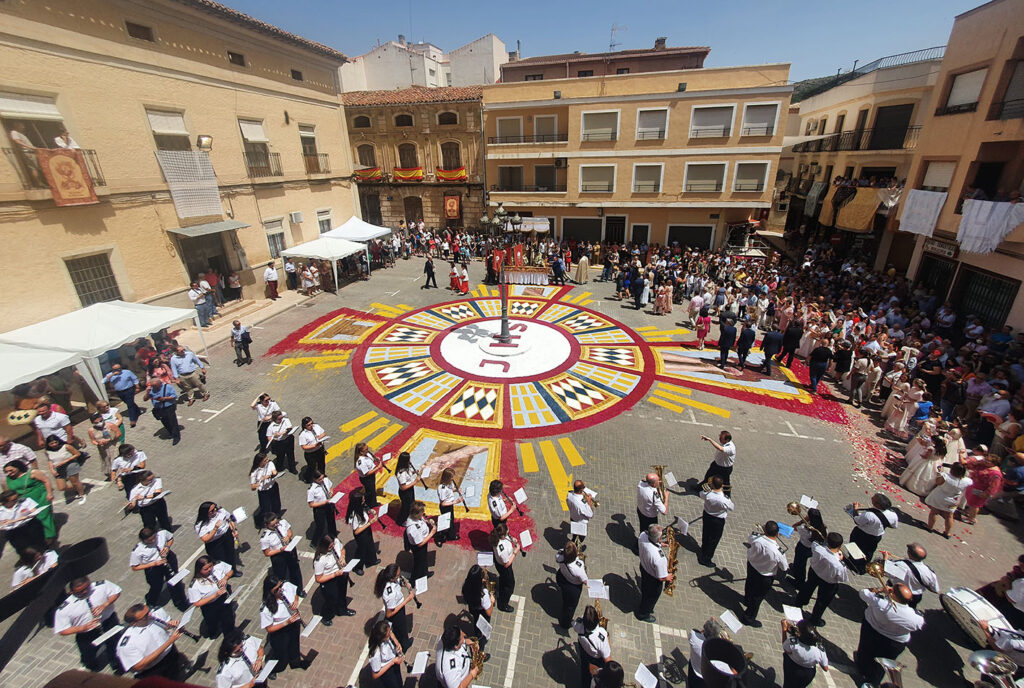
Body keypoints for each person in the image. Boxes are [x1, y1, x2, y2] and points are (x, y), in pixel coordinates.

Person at [854, 583, 924, 687]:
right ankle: (873, 682)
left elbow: (864, 593)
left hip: (871, 630)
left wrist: (880, 590)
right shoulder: (916, 618)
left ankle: (862, 667)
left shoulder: (880, 603)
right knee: (883, 664)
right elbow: (918, 625)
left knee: (865, 650)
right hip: (894, 643)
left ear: (893, 594)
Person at [54, 576, 123, 673]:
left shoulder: (101, 586)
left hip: (108, 622)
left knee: (114, 643)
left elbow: (116, 592)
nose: (84, 592)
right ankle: (91, 666)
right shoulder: (64, 609)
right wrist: (83, 628)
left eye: (86, 588)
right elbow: (63, 630)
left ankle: (116, 663)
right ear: (72, 592)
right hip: (86, 633)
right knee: (88, 653)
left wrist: (105, 604)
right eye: (79, 592)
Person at [117, 603, 191, 679]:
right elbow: (138, 666)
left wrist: (174, 625)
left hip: (171, 656)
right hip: (154, 670)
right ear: (133, 623)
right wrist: (170, 641)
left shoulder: (154, 615)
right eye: (145, 616)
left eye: (148, 611)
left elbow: (166, 627)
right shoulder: (127, 644)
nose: (150, 615)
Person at [739, 521, 788, 627]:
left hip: (752, 567)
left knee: (749, 584)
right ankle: (748, 618)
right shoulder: (778, 551)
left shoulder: (756, 538)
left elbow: (750, 539)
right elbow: (784, 567)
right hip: (765, 576)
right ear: (777, 533)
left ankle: (747, 600)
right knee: (757, 597)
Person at [793, 532, 848, 627]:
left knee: (807, 588)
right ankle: (815, 619)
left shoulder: (817, 547)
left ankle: (798, 604)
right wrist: (840, 559)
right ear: (840, 546)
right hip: (828, 582)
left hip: (814, 572)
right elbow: (842, 578)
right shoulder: (839, 564)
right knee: (822, 601)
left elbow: (816, 543)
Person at [130, 527, 188, 611]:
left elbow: (170, 538)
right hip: (153, 567)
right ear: (143, 540)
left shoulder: (162, 533)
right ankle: (151, 602)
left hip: (168, 560)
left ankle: (180, 602)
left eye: (154, 538)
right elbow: (135, 567)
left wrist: (167, 547)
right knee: (156, 586)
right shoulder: (138, 550)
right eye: (149, 540)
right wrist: (154, 563)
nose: (153, 541)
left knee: (174, 581)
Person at [260, 574, 307, 675]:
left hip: (293, 623)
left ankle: (296, 663)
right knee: (281, 653)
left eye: (280, 586)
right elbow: (269, 629)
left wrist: (296, 601)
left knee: (294, 645)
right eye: (277, 589)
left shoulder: (286, 586)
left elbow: (295, 592)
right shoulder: (266, 608)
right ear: (270, 591)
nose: (280, 590)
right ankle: (273, 670)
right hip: (280, 632)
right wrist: (286, 622)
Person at [3, 460, 54, 544]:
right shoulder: (8, 480)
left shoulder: (32, 473)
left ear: (18, 467)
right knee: (32, 518)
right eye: (6, 472)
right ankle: (40, 536)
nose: (9, 473)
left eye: (11, 470)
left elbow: (46, 480)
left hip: (40, 497)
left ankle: (49, 536)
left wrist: (49, 493)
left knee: (44, 516)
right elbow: (9, 493)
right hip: (24, 501)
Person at [848, 492, 897, 574]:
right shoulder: (893, 515)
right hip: (876, 536)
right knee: (869, 551)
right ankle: (864, 566)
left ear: (878, 504)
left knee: (854, 548)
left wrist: (855, 509)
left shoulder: (869, 515)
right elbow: (893, 526)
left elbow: (857, 521)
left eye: (873, 499)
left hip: (861, 534)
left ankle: (853, 564)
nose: (871, 499)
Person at [188, 555, 236, 638]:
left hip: (223, 599)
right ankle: (213, 631)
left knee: (228, 620)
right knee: (212, 623)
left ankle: (230, 636)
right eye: (206, 569)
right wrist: (215, 595)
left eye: (210, 566)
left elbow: (230, 571)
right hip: (210, 605)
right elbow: (197, 603)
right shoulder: (195, 585)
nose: (210, 569)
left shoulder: (218, 566)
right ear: (199, 570)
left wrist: (225, 578)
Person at [312, 534, 355, 625]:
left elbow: (342, 549)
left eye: (333, 545)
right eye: (330, 547)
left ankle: (342, 610)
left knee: (342, 593)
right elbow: (318, 578)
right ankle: (326, 616)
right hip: (329, 579)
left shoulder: (335, 542)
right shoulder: (320, 560)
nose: (333, 547)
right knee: (332, 599)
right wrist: (335, 574)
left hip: (340, 574)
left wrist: (342, 557)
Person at [882, 544, 940, 609]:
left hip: (897, 592)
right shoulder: (929, 572)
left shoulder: (901, 565)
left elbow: (885, 572)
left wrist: (885, 558)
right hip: (915, 597)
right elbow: (935, 590)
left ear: (909, 553)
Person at [637, 524, 673, 623]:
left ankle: (645, 606)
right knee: (651, 597)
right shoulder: (659, 558)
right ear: (658, 538)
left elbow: (650, 543)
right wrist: (668, 577)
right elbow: (661, 578)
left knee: (645, 590)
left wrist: (660, 544)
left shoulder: (643, 535)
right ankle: (643, 614)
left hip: (644, 568)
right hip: (653, 579)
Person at [924, 462, 972, 537]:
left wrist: (939, 472)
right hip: (954, 500)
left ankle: (930, 527)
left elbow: (938, 482)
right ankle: (947, 533)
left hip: (940, 497)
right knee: (949, 516)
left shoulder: (945, 476)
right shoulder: (967, 481)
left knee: (934, 512)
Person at [376, 564, 416, 652]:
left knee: (401, 629)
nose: (399, 576)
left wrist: (405, 584)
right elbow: (389, 614)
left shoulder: (393, 580)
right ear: (392, 578)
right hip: (396, 613)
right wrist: (407, 600)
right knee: (401, 630)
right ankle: (404, 645)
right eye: (398, 575)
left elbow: (398, 582)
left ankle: (403, 641)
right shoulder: (391, 594)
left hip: (398, 607)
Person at [260, 512, 303, 592]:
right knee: (281, 576)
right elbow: (267, 553)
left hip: (289, 549)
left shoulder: (282, 523)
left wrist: (288, 536)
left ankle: (299, 590)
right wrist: (280, 550)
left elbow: (290, 531)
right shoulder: (265, 538)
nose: (276, 526)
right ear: (267, 525)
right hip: (278, 556)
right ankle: (286, 592)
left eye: (276, 523)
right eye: (273, 525)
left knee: (295, 570)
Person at [195, 501, 241, 576]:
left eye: (215, 508)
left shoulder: (221, 511)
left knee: (231, 555)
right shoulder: (200, 525)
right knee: (220, 560)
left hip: (227, 536)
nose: (215, 511)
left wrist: (234, 530)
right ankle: (223, 575)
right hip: (215, 543)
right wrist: (215, 528)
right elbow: (205, 539)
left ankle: (233, 571)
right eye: (212, 511)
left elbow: (229, 519)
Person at [779, 619, 829, 688]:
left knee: (788, 685)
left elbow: (786, 649)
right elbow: (825, 668)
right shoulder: (819, 649)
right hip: (807, 674)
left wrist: (784, 629)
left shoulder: (794, 642)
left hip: (791, 667)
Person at [699, 475, 733, 567]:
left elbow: (701, 494)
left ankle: (703, 550)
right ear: (722, 485)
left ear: (712, 485)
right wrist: (728, 496)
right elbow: (731, 507)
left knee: (706, 534)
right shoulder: (724, 499)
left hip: (707, 515)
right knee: (714, 540)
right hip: (718, 520)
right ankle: (706, 559)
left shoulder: (707, 494)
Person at [346, 487, 381, 575]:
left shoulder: (361, 506)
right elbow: (356, 531)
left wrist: (370, 511)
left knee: (370, 545)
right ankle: (357, 567)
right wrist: (370, 523)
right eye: (362, 500)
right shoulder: (354, 515)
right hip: (361, 533)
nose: (364, 501)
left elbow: (364, 511)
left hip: (366, 528)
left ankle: (371, 560)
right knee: (361, 550)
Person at [789, 508, 827, 587]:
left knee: (801, 565)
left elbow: (794, 527)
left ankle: (799, 582)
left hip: (803, 547)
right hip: (812, 549)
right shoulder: (824, 528)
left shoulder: (804, 529)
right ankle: (795, 569)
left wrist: (803, 520)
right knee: (799, 563)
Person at [435, 623, 482, 688]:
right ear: (456, 647)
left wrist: (466, 642)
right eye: (462, 638)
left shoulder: (445, 639)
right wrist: (471, 675)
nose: (464, 635)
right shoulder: (450, 670)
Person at [575, 605, 611, 684]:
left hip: (583, 652)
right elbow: (608, 659)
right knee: (595, 676)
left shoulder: (578, 624)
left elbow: (575, 625)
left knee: (585, 670)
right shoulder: (601, 635)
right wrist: (607, 636)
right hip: (595, 660)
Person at [555, 540, 587, 628]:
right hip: (572, 587)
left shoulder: (559, 555)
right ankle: (565, 624)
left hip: (562, 577)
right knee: (570, 607)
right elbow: (585, 581)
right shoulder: (578, 567)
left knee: (565, 598)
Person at [461, 565, 493, 652]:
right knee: (482, 634)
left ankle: (476, 633)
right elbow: (489, 612)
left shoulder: (466, 586)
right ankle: (480, 651)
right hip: (482, 614)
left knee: (476, 623)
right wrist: (492, 601)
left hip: (473, 609)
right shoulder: (483, 594)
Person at [688, 618, 728, 688]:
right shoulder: (716, 651)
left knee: (691, 684)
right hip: (704, 677)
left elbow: (695, 631)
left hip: (693, 667)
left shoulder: (693, 636)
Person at [490, 522, 519, 613]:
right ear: (502, 535)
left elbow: (508, 537)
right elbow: (507, 563)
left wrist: (512, 539)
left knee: (503, 580)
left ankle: (502, 586)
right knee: (510, 585)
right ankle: (503, 604)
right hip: (504, 567)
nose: (508, 533)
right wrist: (515, 552)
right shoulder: (501, 549)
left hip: (500, 564)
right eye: (507, 532)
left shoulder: (500, 536)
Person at [368, 619, 405, 688]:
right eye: (388, 635)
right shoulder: (376, 653)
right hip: (387, 671)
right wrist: (392, 662)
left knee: (399, 683)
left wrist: (396, 642)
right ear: (382, 638)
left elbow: (390, 633)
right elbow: (375, 675)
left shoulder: (385, 629)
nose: (390, 634)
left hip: (394, 662)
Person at [405, 501, 436, 582]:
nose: (423, 513)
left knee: (424, 560)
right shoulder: (413, 528)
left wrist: (428, 521)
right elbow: (420, 543)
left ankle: (424, 573)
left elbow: (421, 521)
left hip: (422, 543)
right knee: (419, 563)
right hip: (419, 548)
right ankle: (414, 580)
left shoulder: (416, 517)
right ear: (416, 513)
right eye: (422, 512)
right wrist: (432, 533)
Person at [144, 377, 181, 445]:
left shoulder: (168, 387)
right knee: (165, 421)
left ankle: (176, 436)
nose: (154, 387)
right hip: (159, 408)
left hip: (169, 407)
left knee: (172, 421)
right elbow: (145, 399)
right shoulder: (151, 390)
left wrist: (164, 398)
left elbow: (174, 396)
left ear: (160, 384)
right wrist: (147, 392)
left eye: (155, 386)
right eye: (152, 386)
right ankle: (171, 433)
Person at [87, 411, 121, 476]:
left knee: (115, 459)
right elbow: (93, 440)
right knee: (107, 460)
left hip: (113, 445)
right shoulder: (91, 430)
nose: (99, 423)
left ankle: (118, 475)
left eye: (100, 421)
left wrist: (109, 439)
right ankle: (111, 474)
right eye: (96, 422)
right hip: (103, 448)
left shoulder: (110, 425)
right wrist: (98, 443)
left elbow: (119, 433)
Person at [436, 467, 464, 546]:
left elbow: (451, 489)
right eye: (451, 477)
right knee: (445, 523)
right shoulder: (442, 488)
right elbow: (443, 503)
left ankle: (451, 535)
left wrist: (457, 490)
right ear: (447, 478)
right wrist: (455, 502)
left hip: (450, 505)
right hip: (446, 507)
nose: (452, 479)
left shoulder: (449, 484)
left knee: (450, 521)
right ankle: (439, 538)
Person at [250, 451, 281, 518]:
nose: (267, 461)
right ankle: (267, 520)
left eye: (267, 459)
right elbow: (252, 487)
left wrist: (268, 476)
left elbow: (275, 472)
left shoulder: (270, 463)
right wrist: (259, 483)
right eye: (265, 460)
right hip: (264, 491)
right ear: (260, 462)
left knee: (276, 503)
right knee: (265, 507)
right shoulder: (255, 472)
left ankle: (277, 516)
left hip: (273, 486)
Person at [266, 410, 297, 476]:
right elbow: (269, 437)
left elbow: (289, 428)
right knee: (280, 456)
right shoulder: (271, 427)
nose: (281, 419)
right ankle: (279, 468)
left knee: (290, 454)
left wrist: (282, 433)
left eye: (281, 417)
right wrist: (274, 436)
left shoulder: (285, 420)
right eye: (279, 419)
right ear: (275, 419)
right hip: (279, 443)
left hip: (288, 439)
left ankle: (292, 468)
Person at [354, 442, 383, 508]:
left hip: (371, 476)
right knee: (370, 491)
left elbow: (371, 460)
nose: (368, 450)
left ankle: (373, 502)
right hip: (367, 478)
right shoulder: (361, 462)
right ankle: (370, 504)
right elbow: (367, 473)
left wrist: (376, 459)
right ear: (361, 452)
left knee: (372, 489)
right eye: (366, 449)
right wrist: (378, 467)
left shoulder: (367, 454)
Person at [566, 479, 595, 546]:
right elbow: (590, 514)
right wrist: (589, 501)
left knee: (574, 534)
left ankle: (573, 542)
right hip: (581, 523)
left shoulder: (569, 494)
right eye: (583, 487)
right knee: (580, 539)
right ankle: (574, 548)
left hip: (573, 518)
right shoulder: (581, 504)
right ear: (581, 490)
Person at [395, 452, 421, 524]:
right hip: (405, 492)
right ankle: (401, 521)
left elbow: (407, 477)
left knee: (411, 504)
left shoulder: (406, 468)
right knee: (405, 507)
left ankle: (410, 517)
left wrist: (413, 472)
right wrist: (415, 481)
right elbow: (403, 487)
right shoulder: (401, 473)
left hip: (409, 490)